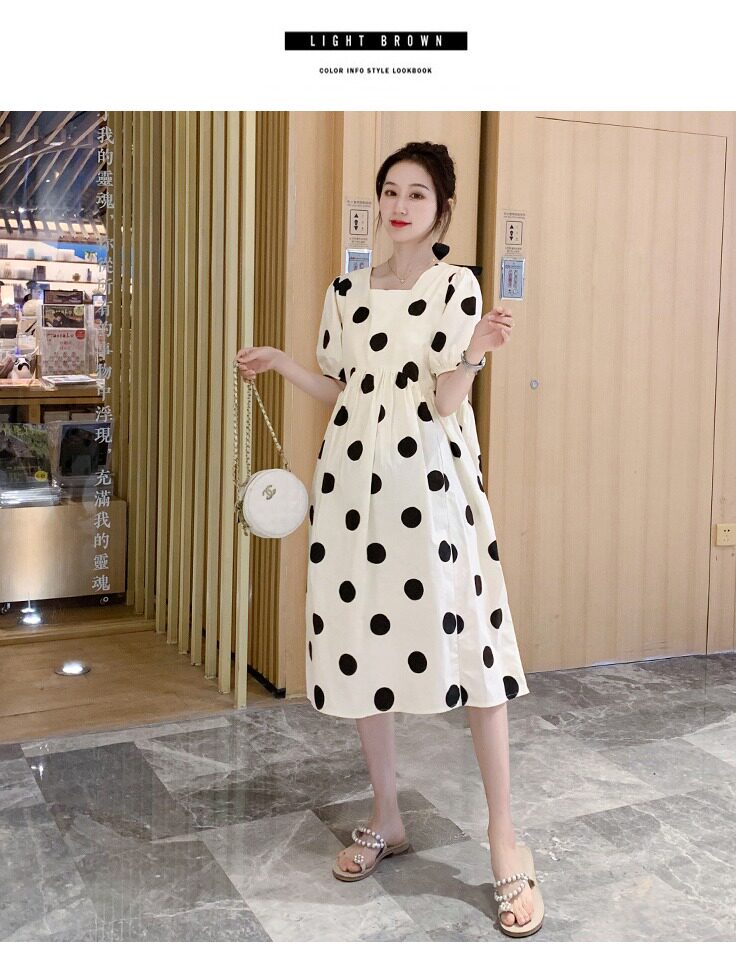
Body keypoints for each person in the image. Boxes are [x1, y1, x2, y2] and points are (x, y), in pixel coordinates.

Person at [235, 141, 543, 937]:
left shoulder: (456, 286)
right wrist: (281, 364)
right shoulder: (346, 290)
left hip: (432, 490)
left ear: (443, 209)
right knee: (362, 643)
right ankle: (386, 814)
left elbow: (444, 401)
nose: (400, 205)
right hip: (352, 489)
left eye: (417, 193)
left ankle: (504, 837)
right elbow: (344, 388)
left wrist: (475, 352)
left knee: (472, 647)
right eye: (390, 191)